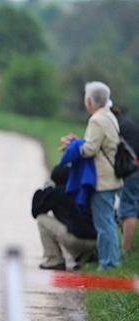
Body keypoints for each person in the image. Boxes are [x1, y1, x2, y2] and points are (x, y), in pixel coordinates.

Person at [59, 81, 123, 270]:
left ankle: (109, 263)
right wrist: (78, 143)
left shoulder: (96, 119)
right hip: (111, 177)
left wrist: (73, 147)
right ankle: (110, 260)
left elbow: (89, 149)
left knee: (104, 224)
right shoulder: (109, 116)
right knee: (107, 221)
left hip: (102, 179)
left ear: (89, 101)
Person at [32, 165, 97, 270]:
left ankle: (54, 259)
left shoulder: (57, 192)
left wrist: (41, 192)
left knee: (42, 219)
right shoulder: (83, 190)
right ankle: (85, 257)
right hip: (95, 241)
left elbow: (36, 212)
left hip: (76, 241)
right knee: (75, 222)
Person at [111, 105, 139, 258]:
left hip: (132, 170)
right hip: (134, 168)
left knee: (128, 209)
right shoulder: (125, 123)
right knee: (128, 206)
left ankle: (125, 251)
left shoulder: (115, 125)